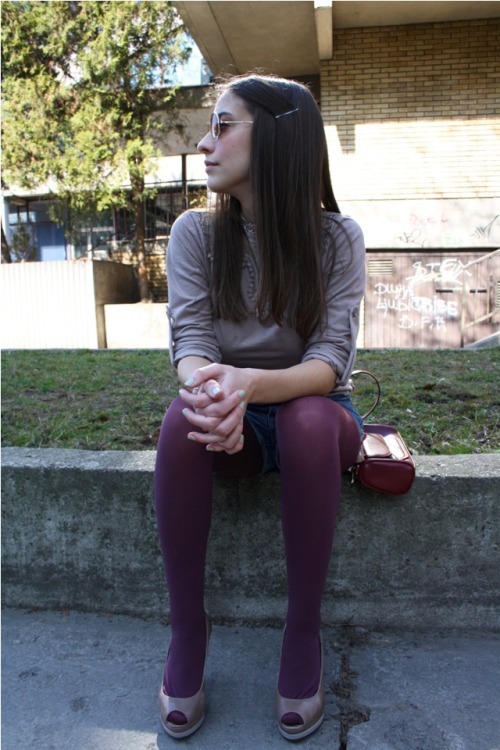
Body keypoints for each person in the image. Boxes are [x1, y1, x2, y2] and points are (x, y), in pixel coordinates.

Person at [154, 73, 366, 741]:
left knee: (305, 419)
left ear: (274, 134)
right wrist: (212, 392)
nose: (205, 143)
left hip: (317, 416)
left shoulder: (337, 239)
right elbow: (190, 342)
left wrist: (246, 384)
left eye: (223, 125)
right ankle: (189, 626)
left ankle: (302, 630)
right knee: (177, 420)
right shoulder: (194, 233)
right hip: (233, 424)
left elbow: (329, 364)